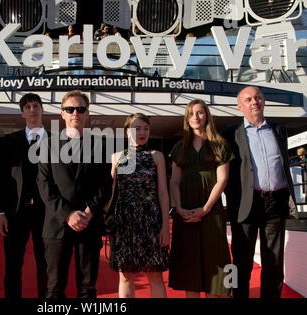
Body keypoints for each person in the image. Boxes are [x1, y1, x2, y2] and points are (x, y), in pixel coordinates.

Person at [36, 90, 112, 298]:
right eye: (70, 109)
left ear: (87, 113)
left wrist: (88, 212)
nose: (75, 113)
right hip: (56, 226)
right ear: (62, 113)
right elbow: (44, 185)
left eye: (80, 109)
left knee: (87, 288)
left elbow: (105, 184)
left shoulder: (101, 145)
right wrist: (68, 214)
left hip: (89, 225)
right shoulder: (46, 145)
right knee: (54, 287)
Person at [222, 86, 296, 298]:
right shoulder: (230, 134)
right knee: (240, 263)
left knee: (273, 262)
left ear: (263, 101)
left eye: (258, 98)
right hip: (245, 205)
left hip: (275, 204)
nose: (254, 102)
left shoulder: (279, 130)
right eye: (248, 99)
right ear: (240, 106)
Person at [168, 100, 234, 298]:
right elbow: (174, 182)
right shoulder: (179, 147)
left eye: (200, 113)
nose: (196, 117)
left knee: (215, 260)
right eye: (191, 114)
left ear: (207, 116)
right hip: (185, 211)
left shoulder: (220, 144)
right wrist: (178, 208)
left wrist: (205, 209)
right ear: (187, 119)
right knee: (189, 264)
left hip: (211, 211)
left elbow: (222, 180)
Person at [105, 113, 170, 298]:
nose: (142, 132)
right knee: (125, 276)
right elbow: (111, 191)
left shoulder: (157, 156)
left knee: (155, 275)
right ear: (127, 131)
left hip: (151, 221)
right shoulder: (117, 157)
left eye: (146, 128)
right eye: (137, 128)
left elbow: (163, 193)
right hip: (124, 222)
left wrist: (165, 226)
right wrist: (104, 217)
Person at [0, 93, 48, 298]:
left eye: (36, 106)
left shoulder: (58, 142)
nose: (32, 110)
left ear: (42, 109)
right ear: (22, 113)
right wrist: (0, 212)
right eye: (27, 107)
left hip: (46, 215)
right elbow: (0, 180)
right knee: (12, 267)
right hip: (15, 213)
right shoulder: (8, 142)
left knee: (46, 267)